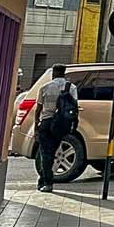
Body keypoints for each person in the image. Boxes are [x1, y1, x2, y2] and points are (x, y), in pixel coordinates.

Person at [34, 65, 79, 194]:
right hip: (61, 124)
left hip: (47, 122)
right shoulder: (71, 88)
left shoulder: (45, 87)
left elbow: (38, 109)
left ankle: (46, 182)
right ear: (64, 73)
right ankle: (44, 180)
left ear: (54, 73)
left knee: (45, 153)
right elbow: (74, 107)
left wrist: (36, 125)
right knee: (52, 152)